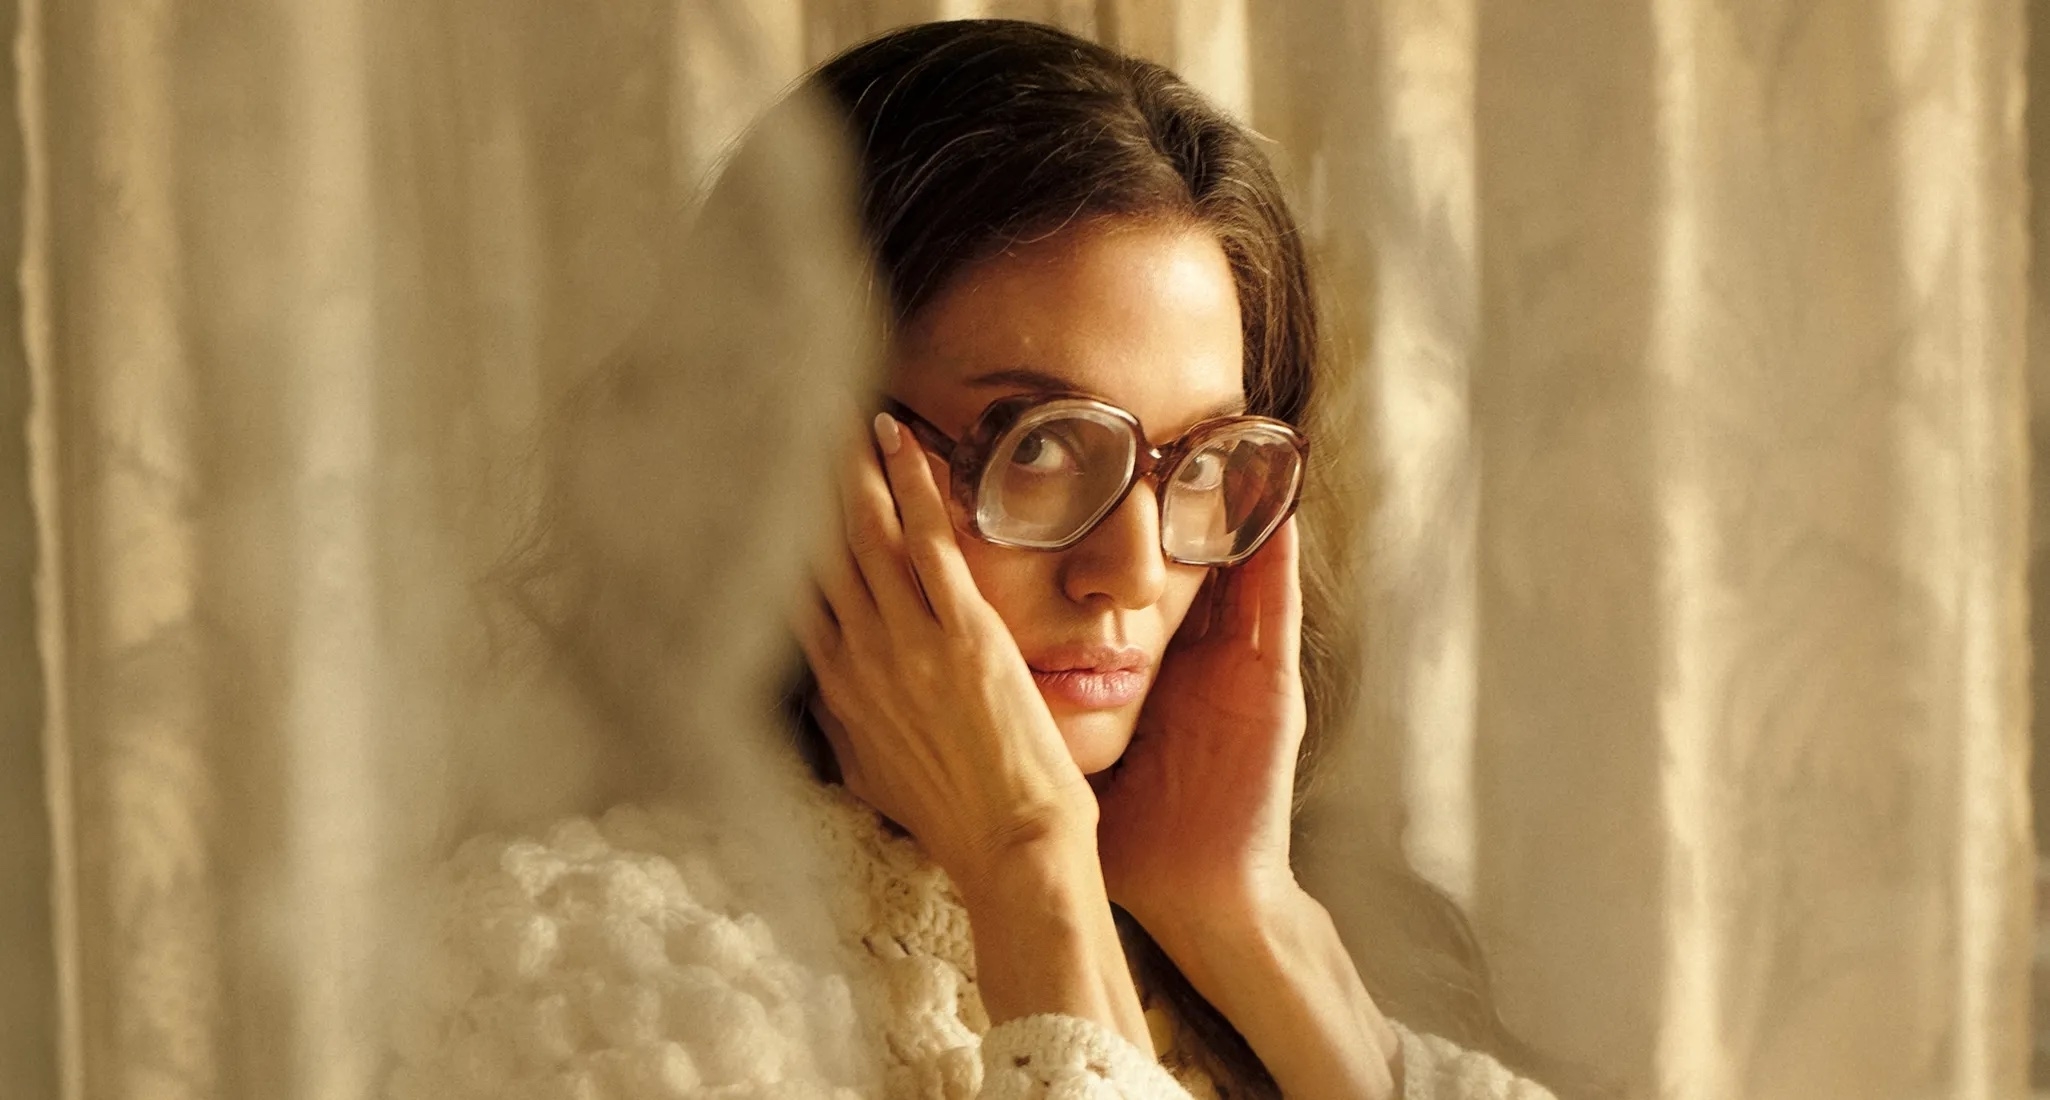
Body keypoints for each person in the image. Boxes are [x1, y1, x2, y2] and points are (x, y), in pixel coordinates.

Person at [389, 19, 1566, 1100]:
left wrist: (1258, 928)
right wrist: (1029, 871)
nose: (1133, 570)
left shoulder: (1261, 947)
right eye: (1040, 444)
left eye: (1202, 458)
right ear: (790, 458)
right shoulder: (585, 961)